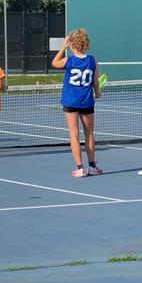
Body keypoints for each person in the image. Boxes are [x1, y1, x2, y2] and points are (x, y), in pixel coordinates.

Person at [52, 29, 103, 177]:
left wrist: (63, 47)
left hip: (70, 102)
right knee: (89, 134)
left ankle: (80, 168)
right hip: (87, 102)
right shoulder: (93, 61)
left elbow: (54, 63)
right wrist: (98, 93)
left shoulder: (69, 60)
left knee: (74, 134)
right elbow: (95, 84)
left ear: (72, 44)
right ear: (85, 43)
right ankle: (92, 167)